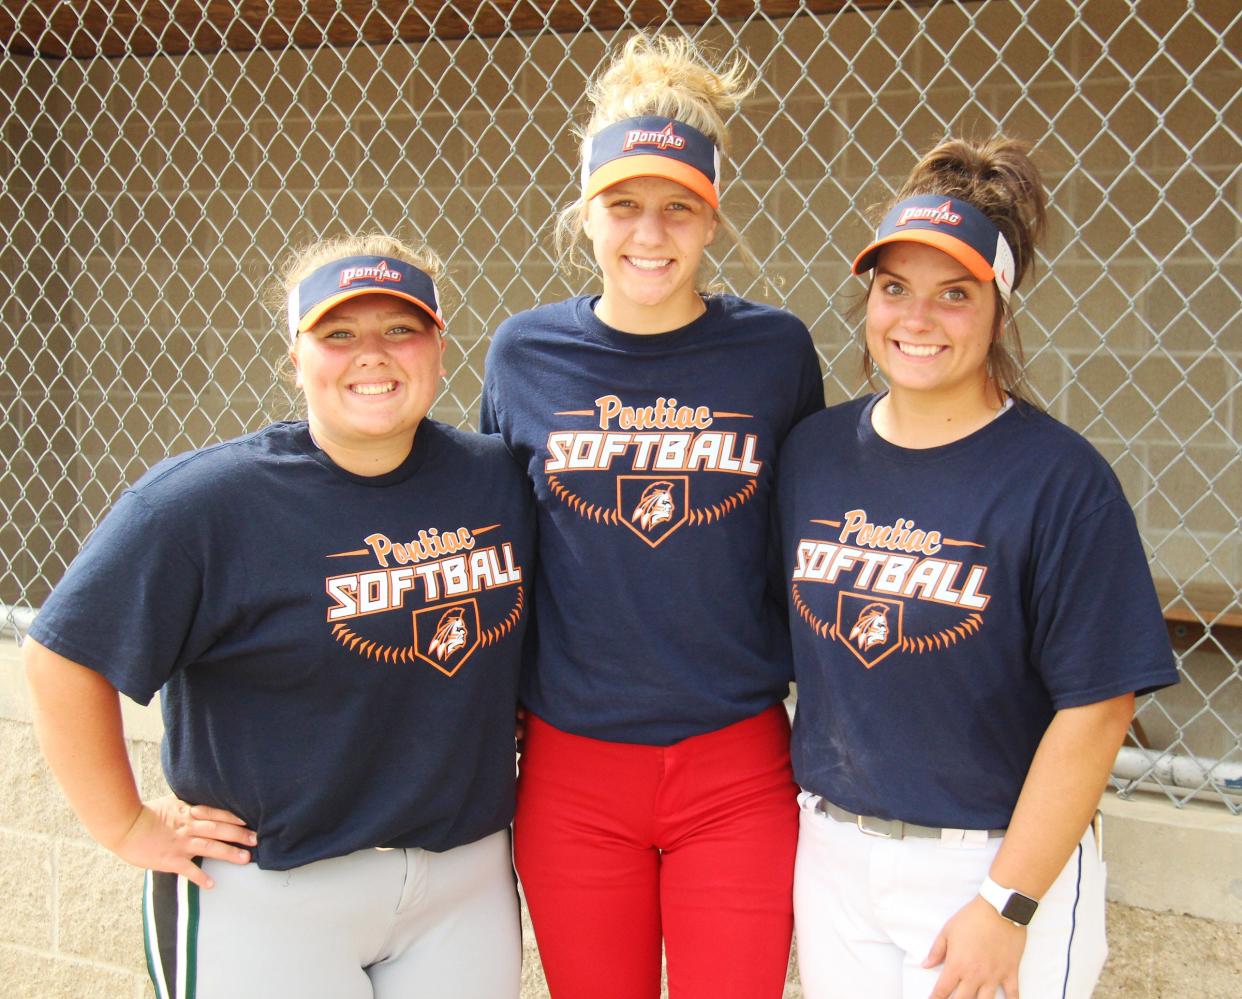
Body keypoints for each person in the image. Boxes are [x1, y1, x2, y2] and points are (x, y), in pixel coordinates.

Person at [24, 235, 535, 999]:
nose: (372, 354)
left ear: (437, 344)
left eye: (400, 328)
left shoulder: (497, 479)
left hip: (462, 880)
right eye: (338, 334)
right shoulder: (204, 503)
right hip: (271, 892)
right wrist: (125, 824)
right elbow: (61, 655)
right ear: (295, 357)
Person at [775, 137, 1179, 999]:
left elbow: (1099, 708)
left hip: (985, 864)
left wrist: (1007, 903)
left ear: (998, 307)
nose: (915, 321)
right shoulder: (813, 454)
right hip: (836, 848)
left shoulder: (1058, 478)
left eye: (953, 295)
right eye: (894, 289)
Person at [480, 32, 824, 999]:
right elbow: (502, 540)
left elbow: (803, 533)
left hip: (736, 761)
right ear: (586, 214)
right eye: (624, 205)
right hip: (572, 764)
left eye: (680, 208)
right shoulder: (524, 354)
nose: (650, 233)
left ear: (712, 220)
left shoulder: (773, 352)